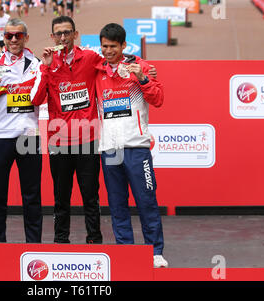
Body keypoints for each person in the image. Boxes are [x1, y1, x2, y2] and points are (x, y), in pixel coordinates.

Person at [94, 23, 168, 268]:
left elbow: (158, 99)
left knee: (146, 201)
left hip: (137, 148)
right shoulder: (96, 70)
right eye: (104, 46)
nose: (108, 51)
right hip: (109, 150)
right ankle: (125, 251)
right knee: (117, 204)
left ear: (123, 45)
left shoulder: (140, 67)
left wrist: (143, 78)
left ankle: (155, 251)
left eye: (113, 47)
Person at [31, 16, 104, 244]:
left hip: (88, 139)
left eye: (67, 32)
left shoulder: (91, 58)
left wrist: (143, 68)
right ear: (52, 37)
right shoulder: (48, 64)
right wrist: (45, 67)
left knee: (90, 197)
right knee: (61, 198)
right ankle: (61, 240)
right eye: (58, 34)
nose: (63, 37)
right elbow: (36, 99)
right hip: (59, 142)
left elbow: (114, 63)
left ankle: (94, 240)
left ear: (75, 34)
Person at [0, 18, 43, 243]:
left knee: (32, 197)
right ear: (4, 38)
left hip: (29, 137)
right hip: (0, 138)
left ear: (26, 38)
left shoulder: (38, 64)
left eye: (18, 36)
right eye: (9, 36)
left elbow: (44, 96)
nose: (14, 40)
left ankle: (34, 246)